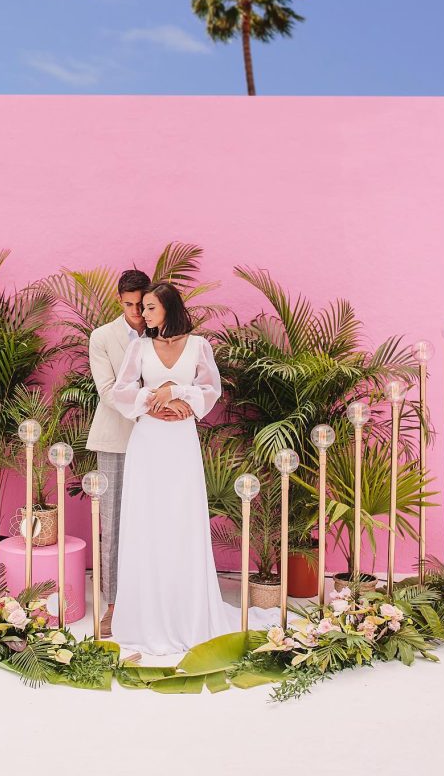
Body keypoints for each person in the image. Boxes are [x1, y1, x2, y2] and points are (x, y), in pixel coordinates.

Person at [110, 281, 280, 655]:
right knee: (149, 520)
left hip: (181, 442)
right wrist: (150, 401)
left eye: (151, 308)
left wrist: (180, 395)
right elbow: (120, 391)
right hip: (150, 441)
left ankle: (187, 613)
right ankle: (146, 616)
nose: (144, 314)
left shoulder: (199, 345)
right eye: (143, 308)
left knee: (181, 519)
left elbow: (210, 389)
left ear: (168, 308)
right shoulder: (139, 346)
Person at [86, 269, 193, 637]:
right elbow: (107, 390)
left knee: (158, 520)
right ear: (120, 300)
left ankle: (159, 601)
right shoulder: (102, 337)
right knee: (114, 524)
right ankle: (114, 606)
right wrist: (153, 407)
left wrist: (180, 403)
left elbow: (190, 380)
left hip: (162, 443)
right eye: (129, 305)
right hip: (118, 438)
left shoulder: (168, 337)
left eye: (142, 304)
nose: (136, 312)